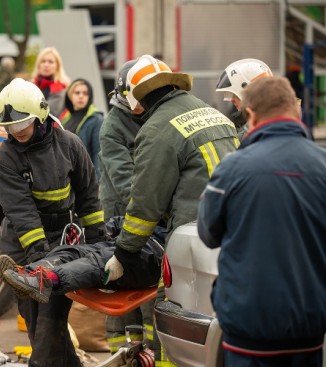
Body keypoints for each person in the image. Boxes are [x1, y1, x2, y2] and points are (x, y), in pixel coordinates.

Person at [103, 54, 239, 365]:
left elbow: (144, 205)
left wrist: (123, 253)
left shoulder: (157, 129)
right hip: (235, 231)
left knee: (173, 312)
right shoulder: (212, 113)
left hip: (192, 239)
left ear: (138, 96)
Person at [197, 76, 326, 367]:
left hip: (249, 333)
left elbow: (207, 233)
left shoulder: (233, 169)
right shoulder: (323, 165)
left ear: (251, 114)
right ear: (298, 112)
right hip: (310, 332)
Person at [0, 77, 106, 367]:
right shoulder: (4, 161)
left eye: (20, 125)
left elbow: (89, 197)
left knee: (50, 320)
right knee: (37, 319)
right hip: (24, 245)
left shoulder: (70, 145)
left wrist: (98, 245)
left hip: (65, 240)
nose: (15, 132)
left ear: (40, 115)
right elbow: (22, 215)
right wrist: (41, 264)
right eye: (9, 128)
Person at [98, 60, 154, 352]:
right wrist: (153, 208)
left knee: (149, 283)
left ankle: (148, 346)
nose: (136, 108)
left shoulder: (154, 113)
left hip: (148, 208)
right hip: (122, 211)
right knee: (125, 277)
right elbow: (124, 181)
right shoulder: (112, 127)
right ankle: (122, 349)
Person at [0, 219, 163, 303]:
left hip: (154, 253)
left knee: (99, 261)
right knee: (73, 252)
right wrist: (108, 230)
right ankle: (27, 272)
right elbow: (127, 219)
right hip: (127, 241)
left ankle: (43, 282)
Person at [215, 58, 273, 139]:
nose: (231, 100)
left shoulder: (253, 133)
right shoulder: (280, 115)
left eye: (234, 94)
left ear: (249, 91)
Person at [59, 78, 104, 178]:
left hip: (85, 176)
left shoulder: (96, 119)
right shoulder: (66, 117)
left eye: (85, 93)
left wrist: (96, 182)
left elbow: (98, 152)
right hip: (66, 175)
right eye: (77, 93)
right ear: (70, 96)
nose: (81, 96)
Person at [32, 47, 70, 117]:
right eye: (43, 61)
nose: (46, 65)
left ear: (57, 66)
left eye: (50, 62)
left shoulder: (60, 87)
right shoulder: (31, 85)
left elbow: (48, 112)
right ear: (38, 65)